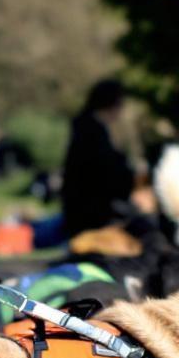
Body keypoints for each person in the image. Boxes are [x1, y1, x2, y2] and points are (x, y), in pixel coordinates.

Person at [59, 79, 138, 239]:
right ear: (112, 104)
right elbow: (104, 173)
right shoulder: (92, 133)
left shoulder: (87, 128)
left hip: (86, 210)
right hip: (92, 213)